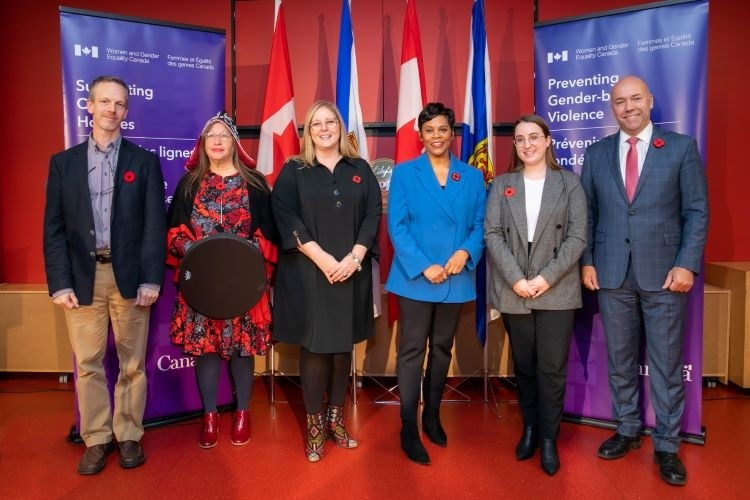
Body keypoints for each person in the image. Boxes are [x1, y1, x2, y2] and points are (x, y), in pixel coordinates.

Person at [580, 75, 708, 486]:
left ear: (650, 101)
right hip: (611, 272)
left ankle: (667, 444)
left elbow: (696, 212)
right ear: (612, 107)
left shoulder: (681, 148)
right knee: (620, 359)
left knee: (666, 364)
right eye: (620, 101)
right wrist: (587, 261)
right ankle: (627, 428)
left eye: (635, 98)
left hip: (666, 274)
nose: (628, 107)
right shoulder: (597, 153)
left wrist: (687, 264)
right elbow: (587, 214)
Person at [43, 75, 166, 475]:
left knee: (132, 364)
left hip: (130, 278)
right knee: (88, 363)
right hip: (82, 279)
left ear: (126, 111)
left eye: (120, 104)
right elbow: (54, 228)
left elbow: (154, 226)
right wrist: (59, 283)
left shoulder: (144, 162)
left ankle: (128, 434)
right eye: (105, 102)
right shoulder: (63, 164)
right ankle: (96, 439)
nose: (113, 109)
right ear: (90, 106)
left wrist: (151, 279)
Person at [271, 100, 381, 462]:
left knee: (341, 349)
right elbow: (285, 216)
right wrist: (323, 259)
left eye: (330, 122)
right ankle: (315, 427)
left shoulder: (360, 168)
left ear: (339, 127)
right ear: (308, 131)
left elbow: (372, 215)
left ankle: (336, 421)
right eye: (316, 123)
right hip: (309, 274)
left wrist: (355, 258)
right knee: (316, 349)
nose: (324, 129)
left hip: (350, 272)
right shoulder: (294, 170)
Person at [166, 112, 277, 449]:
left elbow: (270, 229)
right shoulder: (189, 184)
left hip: (243, 283)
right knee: (206, 350)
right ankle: (210, 415)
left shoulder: (255, 183)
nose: (216, 141)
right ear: (203, 143)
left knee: (243, 350)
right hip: (202, 283)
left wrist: (247, 253)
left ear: (234, 143)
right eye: (211, 135)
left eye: (223, 135)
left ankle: (242, 412)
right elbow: (173, 230)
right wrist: (194, 251)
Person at [485, 114, 587, 476]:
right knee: (525, 367)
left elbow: (577, 236)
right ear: (514, 145)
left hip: (556, 289)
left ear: (547, 141)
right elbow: (492, 234)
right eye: (520, 139)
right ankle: (529, 428)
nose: (527, 144)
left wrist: (546, 277)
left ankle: (548, 438)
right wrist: (516, 279)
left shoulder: (569, 183)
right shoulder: (502, 184)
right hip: (515, 290)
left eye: (533, 137)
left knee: (552, 369)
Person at [386, 102, 486, 465]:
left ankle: (432, 416)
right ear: (421, 136)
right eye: (429, 130)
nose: (436, 136)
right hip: (416, 277)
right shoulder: (404, 173)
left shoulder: (472, 176)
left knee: (442, 349)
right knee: (411, 351)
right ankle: (408, 426)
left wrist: (465, 252)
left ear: (452, 133)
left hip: (455, 276)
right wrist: (424, 265)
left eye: (442, 129)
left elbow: (481, 224)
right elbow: (397, 227)